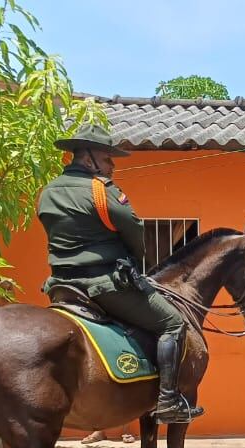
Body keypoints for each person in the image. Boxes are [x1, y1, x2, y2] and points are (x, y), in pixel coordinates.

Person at [38, 124, 202, 423]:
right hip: (104, 284)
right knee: (173, 324)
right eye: (108, 158)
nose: (112, 166)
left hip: (61, 284)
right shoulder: (101, 190)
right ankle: (167, 401)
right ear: (88, 159)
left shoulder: (48, 192)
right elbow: (135, 231)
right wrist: (133, 257)